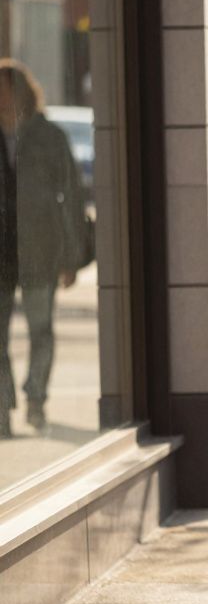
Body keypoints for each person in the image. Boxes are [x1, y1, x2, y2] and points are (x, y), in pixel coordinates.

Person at [0, 59, 88, 438]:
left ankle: (35, 396)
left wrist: (72, 258)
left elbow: (71, 197)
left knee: (41, 331)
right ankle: (2, 409)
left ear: (20, 91)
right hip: (1, 253)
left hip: (40, 248)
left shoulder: (48, 136)